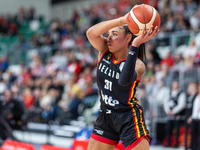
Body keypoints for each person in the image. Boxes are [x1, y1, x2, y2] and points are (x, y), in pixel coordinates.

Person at [86, 10, 159, 150]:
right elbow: (90, 33)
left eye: (115, 34)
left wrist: (136, 45)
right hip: (106, 115)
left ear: (128, 38)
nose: (109, 38)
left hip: (128, 117)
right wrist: (123, 20)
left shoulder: (138, 65)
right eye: (109, 34)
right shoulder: (103, 51)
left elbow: (124, 80)